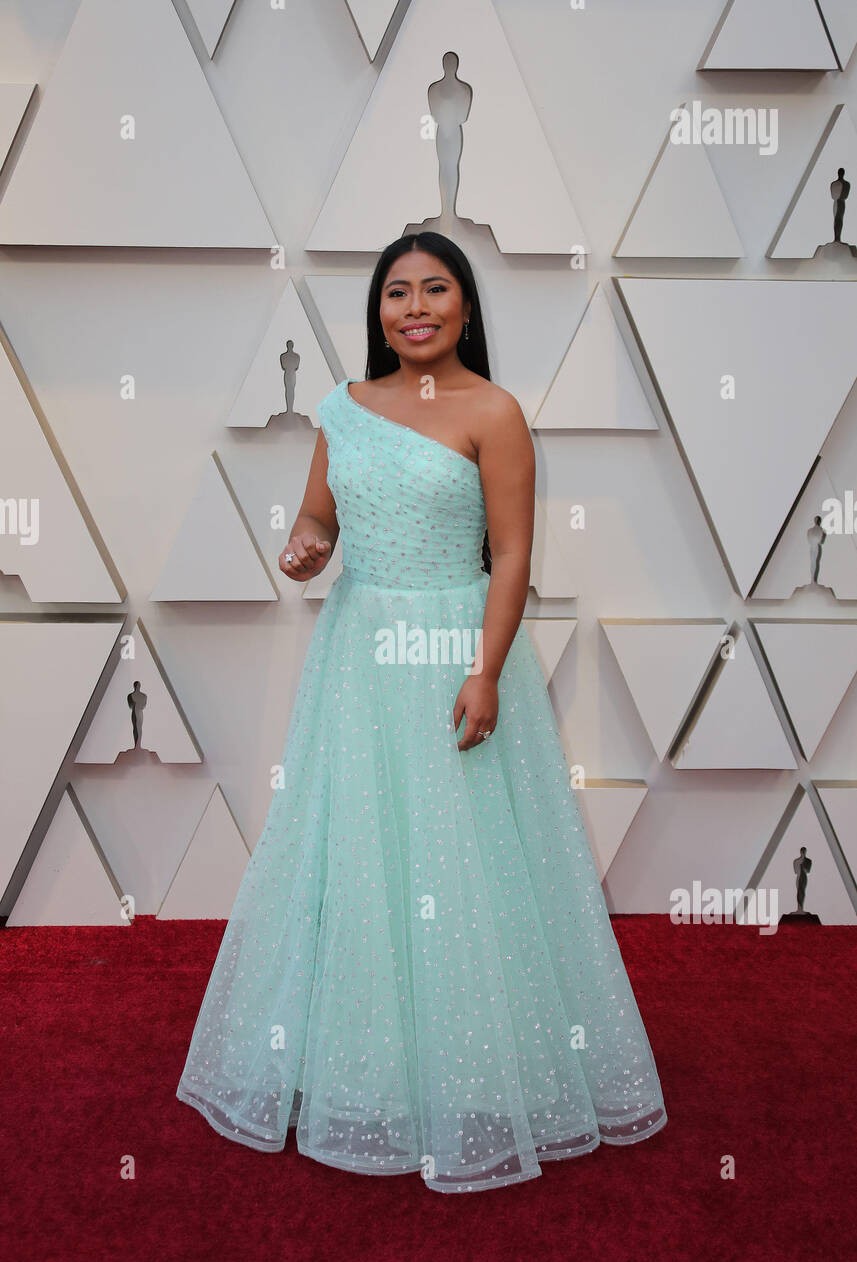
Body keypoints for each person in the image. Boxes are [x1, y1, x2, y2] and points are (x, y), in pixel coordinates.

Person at [176, 231, 667, 1193]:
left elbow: (513, 556)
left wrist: (484, 669)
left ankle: (484, 1065)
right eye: (395, 293)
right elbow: (319, 517)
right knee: (357, 846)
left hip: (456, 646)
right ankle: (367, 1067)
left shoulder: (494, 412)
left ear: (466, 308)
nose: (414, 307)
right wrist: (308, 547)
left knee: (468, 852)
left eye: (434, 290)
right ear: (378, 316)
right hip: (360, 652)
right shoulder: (343, 410)